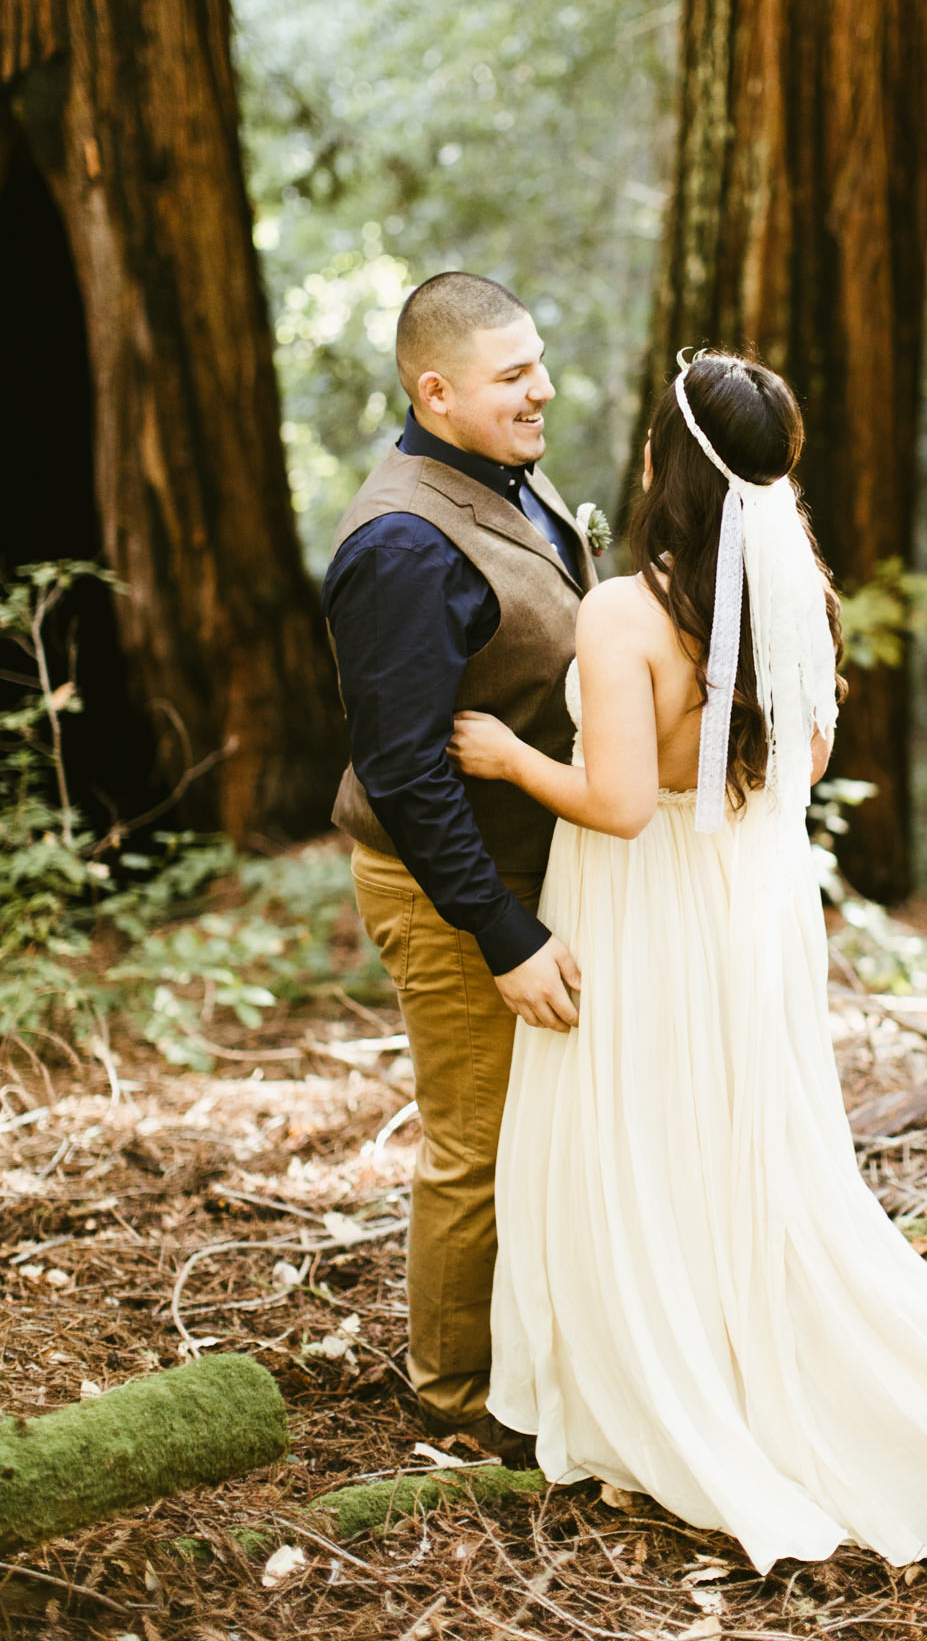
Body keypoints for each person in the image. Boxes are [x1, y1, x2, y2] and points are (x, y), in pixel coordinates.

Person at [448, 350, 927, 1572]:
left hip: (643, 899)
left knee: (637, 1135)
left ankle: (649, 1388)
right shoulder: (795, 588)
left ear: (664, 465)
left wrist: (504, 756)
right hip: (748, 901)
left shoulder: (624, 612)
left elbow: (612, 803)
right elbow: (800, 764)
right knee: (732, 1134)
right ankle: (735, 1354)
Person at [321, 272, 597, 1450]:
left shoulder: (504, 480)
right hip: (449, 888)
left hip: (530, 862)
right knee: (475, 1145)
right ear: (435, 392)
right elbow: (404, 771)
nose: (540, 388)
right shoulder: (399, 544)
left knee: (539, 1132)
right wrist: (502, 931)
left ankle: (534, 1360)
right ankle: (449, 1399)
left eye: (538, 360)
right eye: (509, 375)